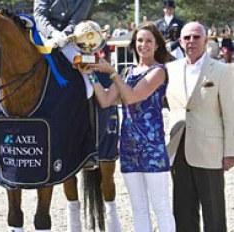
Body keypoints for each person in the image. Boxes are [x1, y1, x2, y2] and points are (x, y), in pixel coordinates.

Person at [34, 1, 121, 232]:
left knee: (87, 85)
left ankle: (92, 143)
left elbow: (77, 18)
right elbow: (39, 14)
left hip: (72, 40)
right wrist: (53, 34)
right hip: (45, 39)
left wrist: (65, 35)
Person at [80, 21, 175, 232]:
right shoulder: (127, 73)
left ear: (157, 45)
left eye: (148, 41)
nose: (143, 45)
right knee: (138, 208)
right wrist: (91, 73)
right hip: (129, 148)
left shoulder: (158, 71)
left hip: (152, 148)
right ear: (134, 44)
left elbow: (132, 97)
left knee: (161, 207)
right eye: (140, 40)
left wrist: (112, 72)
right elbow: (105, 100)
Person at [166, 21, 234, 232]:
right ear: (180, 41)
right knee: (183, 212)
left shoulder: (223, 71)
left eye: (196, 37)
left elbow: (231, 114)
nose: (191, 41)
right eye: (187, 38)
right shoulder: (170, 70)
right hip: (178, 149)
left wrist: (230, 151)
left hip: (211, 152)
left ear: (206, 40)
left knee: (213, 212)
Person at [34, 0, 94, 99]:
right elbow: (40, 16)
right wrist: (53, 33)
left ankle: (91, 106)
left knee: (88, 78)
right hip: (43, 34)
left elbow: (77, 20)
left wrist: (64, 35)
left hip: (68, 38)